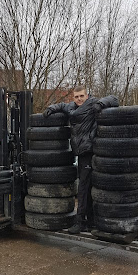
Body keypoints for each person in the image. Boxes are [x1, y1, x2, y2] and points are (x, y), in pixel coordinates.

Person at [43, 86, 119, 234]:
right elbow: (61, 105)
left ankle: (80, 222)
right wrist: (51, 109)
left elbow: (114, 99)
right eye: (76, 96)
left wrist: (101, 104)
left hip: (89, 152)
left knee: (83, 188)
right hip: (80, 152)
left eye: (81, 96)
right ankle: (91, 221)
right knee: (87, 187)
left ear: (87, 95)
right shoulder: (71, 107)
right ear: (73, 97)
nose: (79, 99)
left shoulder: (92, 104)